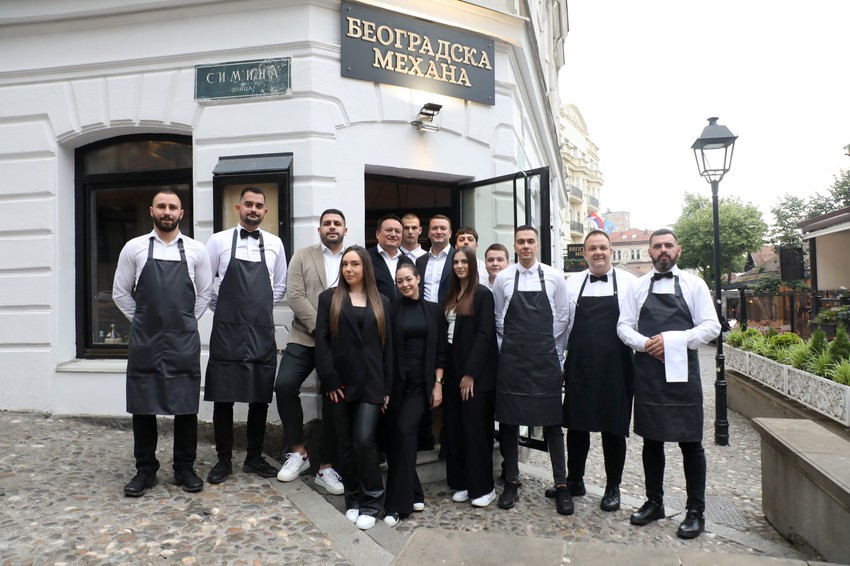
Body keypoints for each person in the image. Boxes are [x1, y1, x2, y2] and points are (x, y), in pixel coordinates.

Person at [617, 228, 721, 540]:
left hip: (684, 377)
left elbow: (712, 326)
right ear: (649, 252)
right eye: (657, 246)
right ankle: (655, 502)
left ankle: (695, 511)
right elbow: (623, 326)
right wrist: (648, 343)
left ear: (678, 250)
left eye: (668, 245)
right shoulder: (637, 287)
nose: (663, 250)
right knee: (652, 441)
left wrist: (674, 341)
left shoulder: (694, 284)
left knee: (691, 444)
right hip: (649, 372)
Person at [112, 190, 212, 497]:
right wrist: (143, 321)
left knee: (185, 404)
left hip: (183, 339)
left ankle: (185, 468)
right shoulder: (135, 248)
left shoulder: (196, 251)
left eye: (173, 207)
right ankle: (145, 470)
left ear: (182, 213)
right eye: (162, 206)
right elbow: (120, 293)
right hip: (146, 340)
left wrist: (182, 323)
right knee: (143, 404)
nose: (167, 211)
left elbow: (205, 294)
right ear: (151, 210)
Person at [204, 187, 287, 484]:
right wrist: (225, 312)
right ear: (238, 208)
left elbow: (279, 287)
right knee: (223, 397)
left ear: (265, 211)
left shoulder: (276, 244)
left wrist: (258, 313)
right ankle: (223, 460)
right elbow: (205, 285)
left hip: (260, 330)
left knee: (259, 395)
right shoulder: (218, 241)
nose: (254, 209)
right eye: (248, 204)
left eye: (259, 205)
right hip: (227, 330)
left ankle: (254, 457)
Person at [557, 229, 637, 512]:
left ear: (611, 251)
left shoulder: (629, 283)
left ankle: (612, 486)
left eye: (603, 247)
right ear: (585, 253)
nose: (598, 252)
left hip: (617, 367)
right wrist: (559, 361)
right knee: (577, 426)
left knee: (613, 429)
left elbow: (637, 326)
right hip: (580, 364)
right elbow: (563, 325)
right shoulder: (571, 283)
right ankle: (574, 480)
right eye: (592, 248)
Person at [491, 225, 569, 514]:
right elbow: (499, 318)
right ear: (514, 246)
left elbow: (562, 318)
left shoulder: (553, 276)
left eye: (530, 241)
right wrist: (509, 349)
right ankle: (512, 479)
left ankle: (561, 484)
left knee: (552, 423)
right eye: (521, 242)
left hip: (544, 361)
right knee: (509, 422)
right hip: (512, 360)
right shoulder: (503, 278)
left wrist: (551, 350)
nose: (526, 246)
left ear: (537, 245)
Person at [315, 246, 393, 531]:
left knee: (364, 441)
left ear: (365, 268)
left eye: (355, 264)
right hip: (340, 384)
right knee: (345, 445)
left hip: (372, 383)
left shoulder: (382, 301)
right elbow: (322, 342)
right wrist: (329, 379)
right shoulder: (329, 298)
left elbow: (388, 349)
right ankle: (353, 500)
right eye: (345, 264)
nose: (348, 269)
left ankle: (373, 501)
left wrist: (387, 387)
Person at [274, 209, 347, 493]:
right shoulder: (303, 256)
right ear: (319, 229)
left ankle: (326, 467)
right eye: (327, 223)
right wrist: (320, 327)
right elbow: (295, 295)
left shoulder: (355, 258)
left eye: (337, 223)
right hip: (305, 336)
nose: (332, 227)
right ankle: (299, 452)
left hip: (341, 344)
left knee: (334, 398)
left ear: (345, 229)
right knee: (284, 384)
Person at [383, 263, 447, 526]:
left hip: (421, 386)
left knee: (405, 431)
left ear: (418, 279)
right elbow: (385, 349)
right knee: (397, 439)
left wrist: (438, 383)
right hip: (396, 385)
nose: (405, 284)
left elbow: (442, 350)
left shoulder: (434, 310)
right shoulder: (391, 310)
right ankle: (415, 491)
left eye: (408, 279)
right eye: (399, 281)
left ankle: (396, 505)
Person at [442, 246, 499, 508]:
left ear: (472, 264)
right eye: (456, 261)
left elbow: (485, 335)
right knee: (455, 428)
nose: (460, 265)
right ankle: (462, 482)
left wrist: (470, 374)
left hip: (475, 373)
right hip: (453, 368)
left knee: (476, 430)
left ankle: (484, 487)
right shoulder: (452, 294)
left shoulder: (482, 294)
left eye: (464, 261)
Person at [367, 214, 413, 302]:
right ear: (377, 234)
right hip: (376, 313)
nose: (393, 234)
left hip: (402, 313)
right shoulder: (366, 258)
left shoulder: (407, 261)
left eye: (397, 231)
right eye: (388, 230)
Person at [416, 214, 455, 305]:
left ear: (450, 233)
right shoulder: (420, 261)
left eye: (443, 228)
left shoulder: (459, 258)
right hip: (424, 315)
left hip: (450, 315)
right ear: (429, 233)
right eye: (434, 228)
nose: (438, 232)